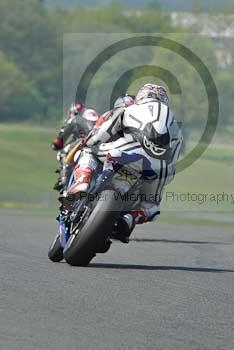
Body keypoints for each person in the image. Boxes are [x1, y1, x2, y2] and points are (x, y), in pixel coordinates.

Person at [62, 83, 183, 241]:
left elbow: (105, 131)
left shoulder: (130, 108)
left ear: (141, 96)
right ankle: (130, 219)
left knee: (88, 151)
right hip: (155, 169)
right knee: (151, 206)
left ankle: (82, 182)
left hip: (123, 152)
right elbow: (172, 164)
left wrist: (90, 141)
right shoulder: (175, 127)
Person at [52, 102, 99, 190]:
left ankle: (63, 180)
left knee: (64, 152)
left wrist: (56, 144)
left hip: (86, 141)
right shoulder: (93, 116)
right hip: (100, 144)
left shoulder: (76, 119)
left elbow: (62, 137)